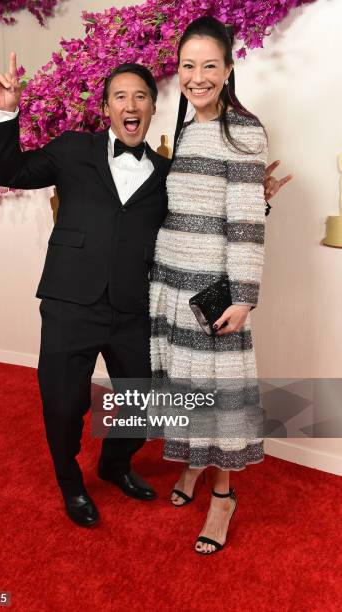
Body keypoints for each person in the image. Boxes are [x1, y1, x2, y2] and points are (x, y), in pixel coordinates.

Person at [0, 52, 287, 529]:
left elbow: (193, 226)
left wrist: (254, 205)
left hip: (133, 306)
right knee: (62, 404)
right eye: (121, 95)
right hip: (69, 301)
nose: (131, 104)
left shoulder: (168, 173)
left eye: (141, 96)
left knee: (145, 401)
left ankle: (114, 464)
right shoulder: (72, 149)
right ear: (107, 108)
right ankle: (70, 482)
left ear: (152, 107)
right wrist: (3, 112)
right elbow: (10, 172)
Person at [149, 15, 277, 555]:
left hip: (212, 293)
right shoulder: (186, 126)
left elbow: (245, 225)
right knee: (189, 387)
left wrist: (244, 297)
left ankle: (223, 496)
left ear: (228, 70)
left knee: (221, 396)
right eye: (186, 66)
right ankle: (196, 464)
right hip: (171, 285)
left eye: (209, 66)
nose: (196, 76)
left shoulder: (245, 130)